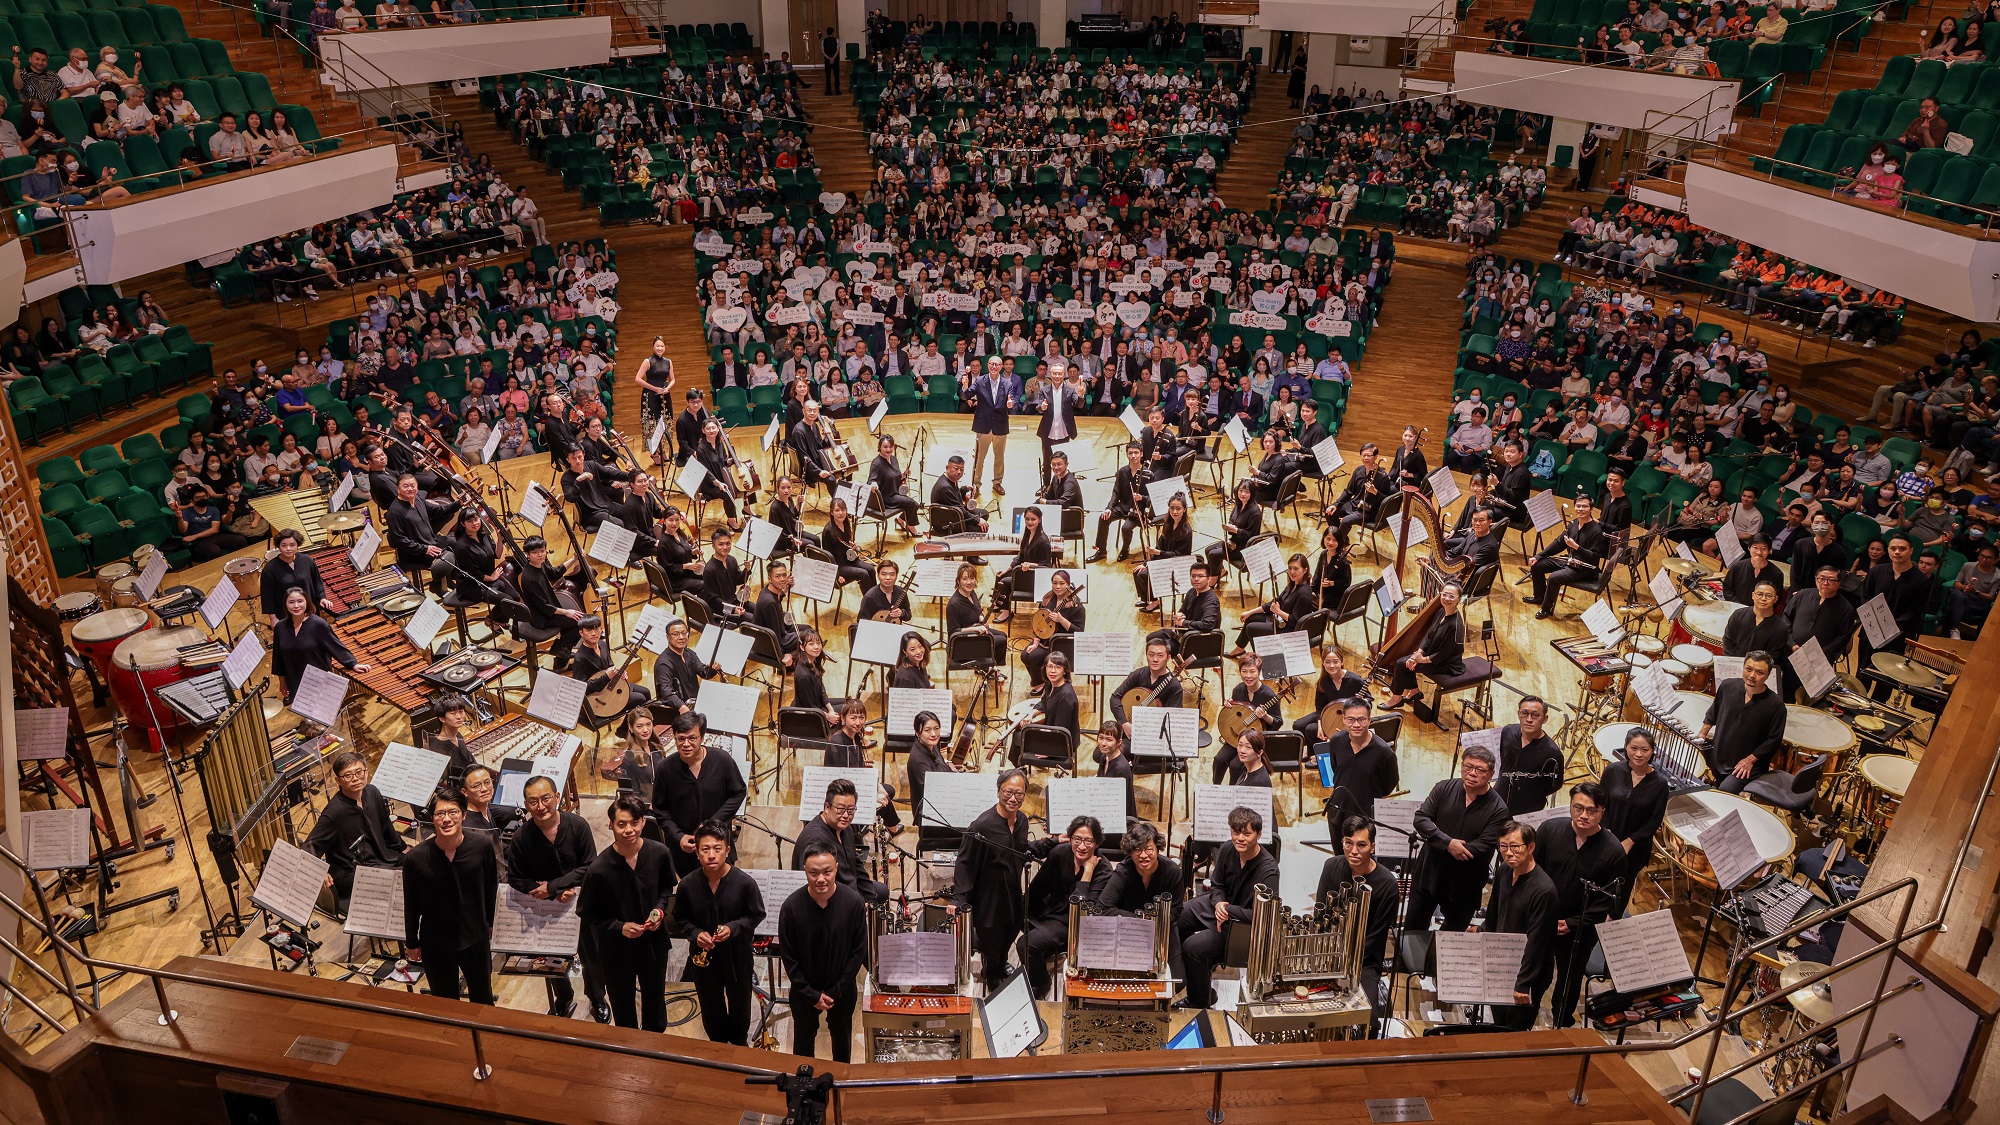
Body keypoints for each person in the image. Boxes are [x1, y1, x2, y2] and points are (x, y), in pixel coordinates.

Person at [578, 796, 676, 1031]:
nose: (628, 830)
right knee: (622, 1007)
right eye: (621, 824)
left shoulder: (660, 853)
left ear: (643, 822)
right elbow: (588, 912)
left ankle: (654, 1043)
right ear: (611, 825)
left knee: (655, 1001)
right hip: (616, 949)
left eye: (634, 822)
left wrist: (660, 910)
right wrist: (619, 927)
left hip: (653, 943)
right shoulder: (598, 869)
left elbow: (666, 889)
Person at [506, 774, 600, 1018]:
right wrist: (549, 893)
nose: (540, 806)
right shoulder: (521, 837)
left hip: (582, 903)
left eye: (545, 798)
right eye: (533, 801)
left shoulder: (578, 825)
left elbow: (590, 866)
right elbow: (515, 878)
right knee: (551, 956)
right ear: (526, 805)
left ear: (557, 797)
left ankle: (597, 998)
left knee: (590, 955)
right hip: (546, 908)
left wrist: (554, 887)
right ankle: (564, 997)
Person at [1537, 783, 1624, 1028]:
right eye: (1578, 808)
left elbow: (1607, 901)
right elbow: (1534, 873)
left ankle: (1561, 1022)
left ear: (1602, 811)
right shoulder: (1549, 830)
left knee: (1569, 979)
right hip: (1543, 918)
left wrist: (1572, 923)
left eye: (1591, 810)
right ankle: (1526, 1014)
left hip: (1579, 930)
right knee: (1536, 970)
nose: (1584, 815)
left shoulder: (1613, 851)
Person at [401, 785, 498, 1004]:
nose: (446, 819)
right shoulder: (415, 859)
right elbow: (411, 903)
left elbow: (491, 888)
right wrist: (412, 942)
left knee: (483, 999)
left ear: (463, 815)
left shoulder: (482, 846)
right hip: (436, 941)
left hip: (475, 937)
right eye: (440, 814)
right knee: (445, 1004)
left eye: (453, 812)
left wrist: (491, 923)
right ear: (432, 818)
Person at [1177, 807, 1281, 1009]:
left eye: (1247, 834)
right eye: (1236, 832)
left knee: (1192, 947)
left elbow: (1262, 915)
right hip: (1220, 907)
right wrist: (1218, 903)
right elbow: (1217, 885)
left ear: (1259, 835)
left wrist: (1227, 910)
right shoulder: (1227, 848)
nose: (1240, 838)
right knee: (1178, 917)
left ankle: (1199, 1000)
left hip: (1241, 924)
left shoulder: (1268, 870)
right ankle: (1197, 981)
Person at [672, 820, 765, 1046]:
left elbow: (756, 914)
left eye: (717, 848)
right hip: (704, 959)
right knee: (711, 1010)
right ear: (697, 852)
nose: (711, 855)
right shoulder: (687, 885)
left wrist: (733, 927)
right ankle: (718, 1049)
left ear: (727, 850)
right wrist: (695, 934)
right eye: (705, 849)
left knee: (740, 1010)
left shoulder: (745, 883)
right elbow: (681, 918)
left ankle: (739, 1047)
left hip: (737, 957)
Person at [780, 844, 868, 1061]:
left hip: (842, 989)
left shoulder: (853, 903)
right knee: (802, 1048)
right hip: (803, 992)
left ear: (836, 868)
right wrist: (812, 994)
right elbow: (789, 958)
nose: (821, 879)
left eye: (827, 872)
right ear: (804, 870)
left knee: (842, 1044)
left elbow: (858, 952)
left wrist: (835, 991)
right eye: (814, 873)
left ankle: (840, 1079)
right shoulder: (791, 907)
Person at [1407, 745, 1508, 933]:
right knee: (1413, 929)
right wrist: (1447, 843)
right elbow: (1421, 818)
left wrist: (1443, 842)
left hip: (1464, 884)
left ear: (1491, 774)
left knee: (1452, 937)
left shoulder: (1499, 810)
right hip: (1429, 873)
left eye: (1480, 770)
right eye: (1468, 767)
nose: (1472, 773)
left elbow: (1483, 846)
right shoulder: (1444, 787)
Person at [1315, 816, 1401, 1036]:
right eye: (1348, 843)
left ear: (1373, 847)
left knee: (1369, 1020)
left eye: (1361, 845)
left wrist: (1345, 964)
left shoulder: (1388, 884)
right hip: (1328, 952)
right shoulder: (1331, 867)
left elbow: (1375, 937)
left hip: (1364, 960)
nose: (1353, 851)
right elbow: (1320, 916)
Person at [949, 769, 1032, 991]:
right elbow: (965, 863)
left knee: (1012, 928)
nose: (1013, 798)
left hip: (1012, 890)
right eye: (1008, 792)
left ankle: (1000, 962)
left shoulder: (1022, 821)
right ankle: (992, 971)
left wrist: (1049, 844)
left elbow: (1022, 849)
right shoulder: (981, 826)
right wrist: (958, 898)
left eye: (1019, 793)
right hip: (989, 896)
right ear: (998, 792)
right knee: (992, 935)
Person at [1019, 815, 1111, 999]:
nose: (1082, 846)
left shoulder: (1103, 869)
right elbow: (1037, 888)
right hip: (1050, 910)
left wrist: (1087, 873)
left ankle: (1041, 980)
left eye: (1088, 841)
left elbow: (1082, 910)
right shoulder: (1060, 853)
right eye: (1077, 839)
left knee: (1025, 945)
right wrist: (1022, 911)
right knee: (1009, 912)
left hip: (1071, 923)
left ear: (1097, 843)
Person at [305, 750, 405, 907]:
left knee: (417, 862)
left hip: (379, 857)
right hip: (350, 872)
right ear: (338, 780)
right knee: (402, 879)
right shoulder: (334, 812)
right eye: (348, 775)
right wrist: (320, 871)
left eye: (359, 772)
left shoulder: (372, 792)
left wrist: (404, 849)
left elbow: (387, 828)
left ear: (366, 772)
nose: (355, 778)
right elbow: (308, 847)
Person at [656, 712, 748, 878]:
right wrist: (679, 837)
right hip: (685, 851)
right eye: (681, 739)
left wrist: (713, 823)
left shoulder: (722, 760)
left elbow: (738, 792)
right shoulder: (665, 769)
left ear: (702, 737)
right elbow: (660, 810)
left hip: (718, 842)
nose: (686, 744)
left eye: (692, 738)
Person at [1484, 820, 1557, 1030]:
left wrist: (1523, 983)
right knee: (1499, 1025)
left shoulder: (1544, 891)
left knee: (1515, 1031)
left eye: (1515, 847)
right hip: (1502, 964)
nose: (1509, 853)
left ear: (1531, 847)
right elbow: (1493, 913)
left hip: (1528, 973)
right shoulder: (1503, 871)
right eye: (1503, 846)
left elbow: (1537, 943)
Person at [1600, 728, 1669, 915]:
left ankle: (1613, 920)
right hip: (1606, 837)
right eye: (1634, 748)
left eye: (1644, 750)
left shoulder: (1660, 784)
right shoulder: (1613, 770)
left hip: (1636, 847)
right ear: (1626, 748)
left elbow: (1655, 820)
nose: (1639, 754)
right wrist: (1606, 832)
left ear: (1652, 751)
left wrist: (1630, 841)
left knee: (1623, 886)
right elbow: (1601, 803)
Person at [1699, 651, 1787, 793]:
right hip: (1720, 755)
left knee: (1725, 791)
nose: (1752, 675)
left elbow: (1774, 740)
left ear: (1768, 675)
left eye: (1759, 672)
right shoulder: (1727, 686)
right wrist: (1702, 734)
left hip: (1748, 764)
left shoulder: (1776, 705)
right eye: (1749, 669)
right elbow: (1713, 713)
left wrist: (1750, 760)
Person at [794, 778, 888, 903]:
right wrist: (858, 906)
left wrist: (869, 898)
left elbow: (856, 864)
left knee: (881, 891)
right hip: (833, 898)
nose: (846, 815)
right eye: (840, 809)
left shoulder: (845, 828)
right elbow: (818, 887)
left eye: (850, 810)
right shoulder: (814, 841)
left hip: (850, 887)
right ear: (827, 807)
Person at [270, 587, 371, 702]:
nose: (296, 606)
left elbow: (335, 646)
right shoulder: (280, 627)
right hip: (295, 681)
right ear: (285, 604)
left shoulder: (318, 624)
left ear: (307, 602)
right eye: (291, 602)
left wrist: (353, 664)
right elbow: (278, 658)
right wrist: (282, 682)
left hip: (319, 681)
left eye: (300, 601)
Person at [1381, 580, 1467, 709]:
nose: (1447, 598)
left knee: (1402, 663)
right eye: (1444, 594)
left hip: (1447, 664)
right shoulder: (1441, 612)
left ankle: (1396, 698)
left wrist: (1423, 660)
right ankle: (1414, 691)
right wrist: (1418, 654)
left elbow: (1445, 654)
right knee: (1408, 661)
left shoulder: (1456, 626)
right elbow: (1428, 636)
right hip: (1432, 656)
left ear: (1458, 600)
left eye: (1451, 596)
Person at [1528, 494, 1606, 619]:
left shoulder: (1596, 531)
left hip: (1584, 568)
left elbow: (1594, 558)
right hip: (1569, 561)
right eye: (1578, 506)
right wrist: (1538, 556)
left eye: (1585, 506)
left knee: (1554, 578)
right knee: (1537, 566)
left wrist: (1577, 547)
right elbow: (1558, 543)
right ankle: (1539, 597)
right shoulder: (1573, 524)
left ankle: (1546, 609)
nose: (1581, 509)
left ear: (1591, 509)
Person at [1097, 821, 1185, 915]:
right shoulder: (1123, 872)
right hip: (1129, 923)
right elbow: (1102, 908)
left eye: (1149, 849)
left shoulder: (1172, 872)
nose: (1143, 855)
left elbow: (1176, 910)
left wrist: (1154, 920)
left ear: (1158, 849)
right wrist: (1139, 920)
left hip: (1161, 923)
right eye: (1137, 850)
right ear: (1130, 852)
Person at [1494, 696, 1563, 813]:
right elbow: (1503, 759)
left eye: (1535, 715)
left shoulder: (1552, 753)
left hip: (1527, 808)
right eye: (1524, 713)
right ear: (1518, 714)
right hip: (1499, 796)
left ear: (1545, 719)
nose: (1529, 719)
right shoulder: (1508, 731)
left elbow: (1555, 784)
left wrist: (1531, 794)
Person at [259, 527, 332, 625]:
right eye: (284, 545)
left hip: (309, 611)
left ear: (298, 545)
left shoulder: (307, 560)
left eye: (292, 545)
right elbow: (267, 596)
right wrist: (273, 618)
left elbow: (317, 581)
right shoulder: (270, 569)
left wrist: (322, 598)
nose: (288, 549)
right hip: (285, 615)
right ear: (278, 547)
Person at [1089, 443, 1147, 563]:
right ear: (1127, 454)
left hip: (1137, 511)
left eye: (1136, 453)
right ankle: (1101, 551)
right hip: (1123, 507)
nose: (1133, 456)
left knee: (1126, 528)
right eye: (1130, 453)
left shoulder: (1148, 474)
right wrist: (1109, 508)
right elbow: (1116, 492)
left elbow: (1151, 497)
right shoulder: (1122, 471)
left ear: (1141, 454)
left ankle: (1125, 550)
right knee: (1103, 518)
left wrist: (1142, 498)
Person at [652, 616, 716, 715]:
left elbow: (704, 673)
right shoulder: (663, 664)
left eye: (684, 633)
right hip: (678, 710)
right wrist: (681, 706)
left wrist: (712, 668)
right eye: (675, 634)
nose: (681, 637)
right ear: (668, 637)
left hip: (695, 703)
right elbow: (665, 692)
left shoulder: (689, 653)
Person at [905, 709, 956, 828]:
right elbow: (932, 793)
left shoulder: (932, 745)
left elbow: (940, 766)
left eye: (936, 728)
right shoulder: (918, 760)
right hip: (930, 814)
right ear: (917, 733)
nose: (934, 734)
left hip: (942, 800)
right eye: (927, 730)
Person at [1724, 580, 1789, 660]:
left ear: (1775, 599)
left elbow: (1772, 657)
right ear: (1753, 595)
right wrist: (1732, 661)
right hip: (1733, 662)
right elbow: (1727, 641)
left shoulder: (1780, 628)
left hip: (1758, 667)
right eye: (1759, 594)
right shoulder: (1738, 615)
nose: (1763, 598)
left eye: (1769, 596)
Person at [1722, 535, 1784, 605]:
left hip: (1761, 610)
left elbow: (1776, 599)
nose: (1759, 552)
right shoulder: (1737, 567)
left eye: (1763, 549)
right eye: (1755, 548)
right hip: (1735, 607)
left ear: (1769, 551)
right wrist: (1738, 606)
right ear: (1749, 548)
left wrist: (1758, 608)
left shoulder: (1777, 574)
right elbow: (1727, 589)